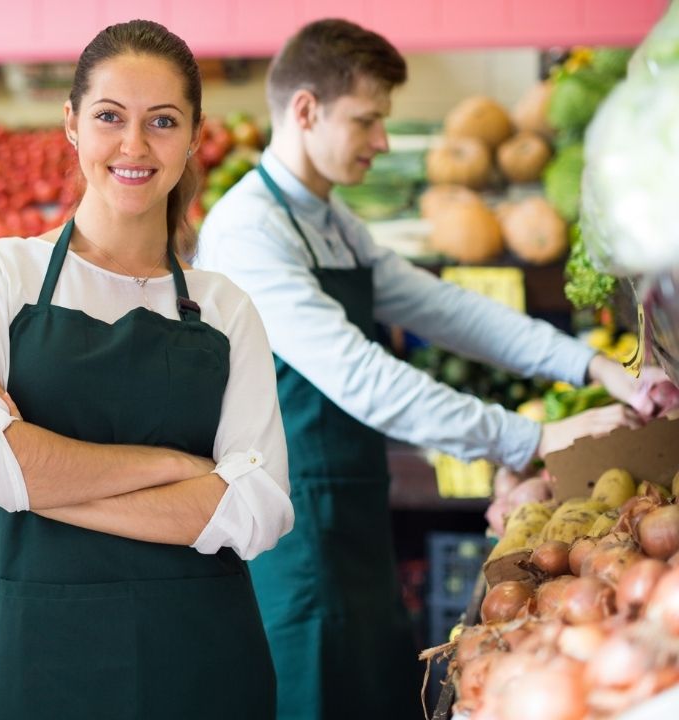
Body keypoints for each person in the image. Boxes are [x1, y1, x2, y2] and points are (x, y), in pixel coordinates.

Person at [195, 18, 670, 720]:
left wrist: (596, 367)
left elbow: (446, 308)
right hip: (290, 530)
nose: (382, 142)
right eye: (367, 120)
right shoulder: (246, 232)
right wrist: (532, 440)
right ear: (305, 110)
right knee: (313, 694)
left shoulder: (328, 219)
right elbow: (361, 376)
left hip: (352, 511)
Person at [0, 19, 293, 720]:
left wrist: (35, 478)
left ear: (192, 136)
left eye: (161, 121)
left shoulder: (225, 307)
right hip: (44, 664)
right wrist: (177, 467)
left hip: (203, 665)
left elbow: (256, 511)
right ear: (71, 124)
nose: (134, 145)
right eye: (109, 117)